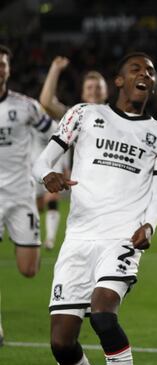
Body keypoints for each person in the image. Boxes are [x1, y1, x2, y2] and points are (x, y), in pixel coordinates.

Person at [32, 52, 157, 365]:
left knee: (102, 312)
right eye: (136, 69)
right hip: (78, 239)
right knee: (62, 344)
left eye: (150, 71)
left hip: (122, 238)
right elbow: (41, 161)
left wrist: (149, 225)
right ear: (119, 80)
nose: (144, 74)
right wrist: (48, 176)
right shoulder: (84, 114)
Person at [0, 44, 54, 346]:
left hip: (22, 196)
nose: (0, 69)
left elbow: (55, 133)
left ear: (8, 69)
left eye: (3, 64)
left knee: (29, 269)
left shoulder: (25, 106)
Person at [37, 56, 108, 250]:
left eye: (98, 87)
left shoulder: (118, 117)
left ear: (106, 91)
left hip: (113, 191)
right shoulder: (76, 117)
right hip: (87, 193)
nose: (94, 91)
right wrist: (55, 69)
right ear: (83, 94)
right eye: (90, 87)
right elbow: (47, 102)